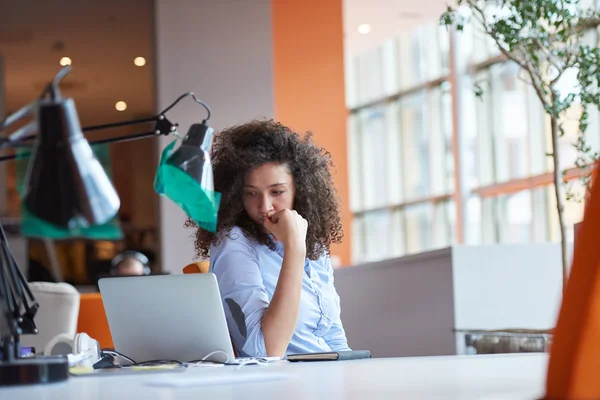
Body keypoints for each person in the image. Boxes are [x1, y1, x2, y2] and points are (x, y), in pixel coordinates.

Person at [187, 119, 350, 358]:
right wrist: (294, 248)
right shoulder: (234, 242)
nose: (264, 206)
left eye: (277, 192)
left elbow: (333, 336)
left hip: (326, 377)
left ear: (301, 189)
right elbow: (266, 350)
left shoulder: (313, 241)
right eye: (251, 193)